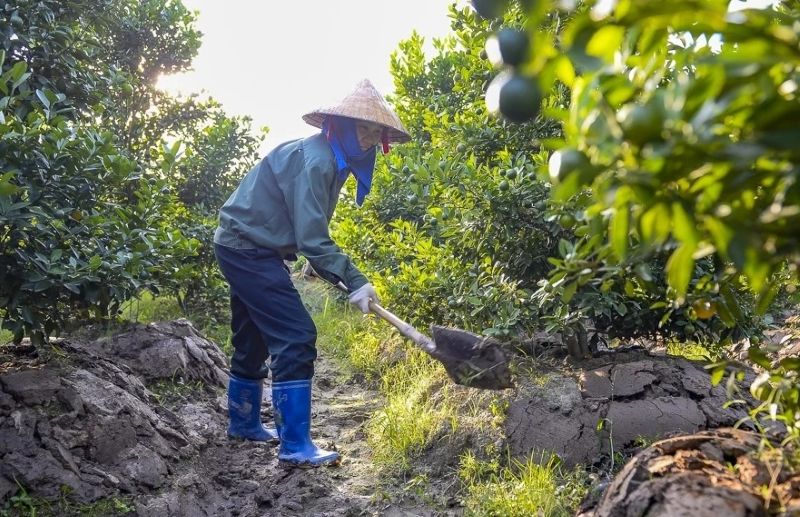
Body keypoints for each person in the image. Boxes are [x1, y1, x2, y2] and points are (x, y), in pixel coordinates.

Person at [213, 79, 411, 467]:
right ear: (340, 125)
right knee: (296, 335)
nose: (370, 138)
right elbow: (313, 239)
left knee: (253, 336)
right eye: (363, 128)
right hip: (248, 249)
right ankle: (295, 445)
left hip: (244, 244)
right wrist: (355, 280)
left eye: (377, 131)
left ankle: (244, 423)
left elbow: (303, 229)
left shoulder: (330, 156)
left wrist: (325, 265)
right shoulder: (319, 160)